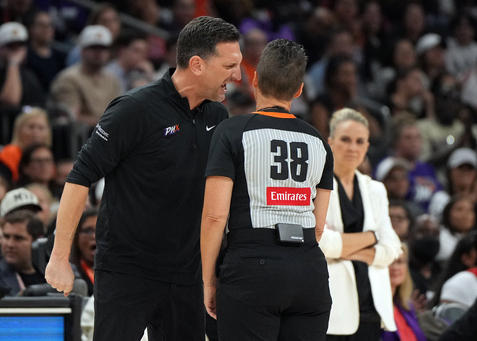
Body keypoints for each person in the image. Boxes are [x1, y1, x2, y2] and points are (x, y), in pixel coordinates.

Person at [45, 16, 242, 341]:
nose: (237, 75)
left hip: (187, 273)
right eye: (229, 66)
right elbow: (80, 177)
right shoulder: (134, 109)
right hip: (127, 270)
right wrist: (59, 256)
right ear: (197, 64)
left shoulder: (218, 115)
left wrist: (215, 271)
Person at [201, 38, 333, 340]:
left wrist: (209, 281)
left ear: (256, 80)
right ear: (299, 90)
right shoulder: (319, 142)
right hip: (309, 270)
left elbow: (214, 218)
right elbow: (319, 225)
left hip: (251, 268)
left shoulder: (233, 131)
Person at [319, 108, 402, 340]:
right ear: (331, 142)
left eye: (360, 141)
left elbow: (391, 250)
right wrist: (373, 237)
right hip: (332, 309)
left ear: (367, 146)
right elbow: (322, 245)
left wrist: (344, 251)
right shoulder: (314, 185)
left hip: (372, 306)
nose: (352, 147)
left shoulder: (375, 189)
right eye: (345, 140)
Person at [50, 24, 122, 128]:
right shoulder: (68, 79)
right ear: (82, 50)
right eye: (93, 48)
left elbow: (119, 113)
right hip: (83, 139)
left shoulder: (113, 79)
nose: (99, 53)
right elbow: (71, 118)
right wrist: (110, 123)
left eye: (103, 48)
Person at [0, 106, 52, 184]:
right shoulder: (10, 153)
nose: (36, 132)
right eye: (31, 127)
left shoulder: (48, 155)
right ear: (19, 130)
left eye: (41, 128)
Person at [382, 243, 427, 341]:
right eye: (389, 261)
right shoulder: (371, 309)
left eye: (400, 261)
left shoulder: (407, 307)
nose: (395, 267)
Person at [70, 208, 98, 296]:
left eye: (101, 229)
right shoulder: (69, 274)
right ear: (76, 236)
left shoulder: (120, 274)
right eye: (88, 231)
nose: (94, 236)